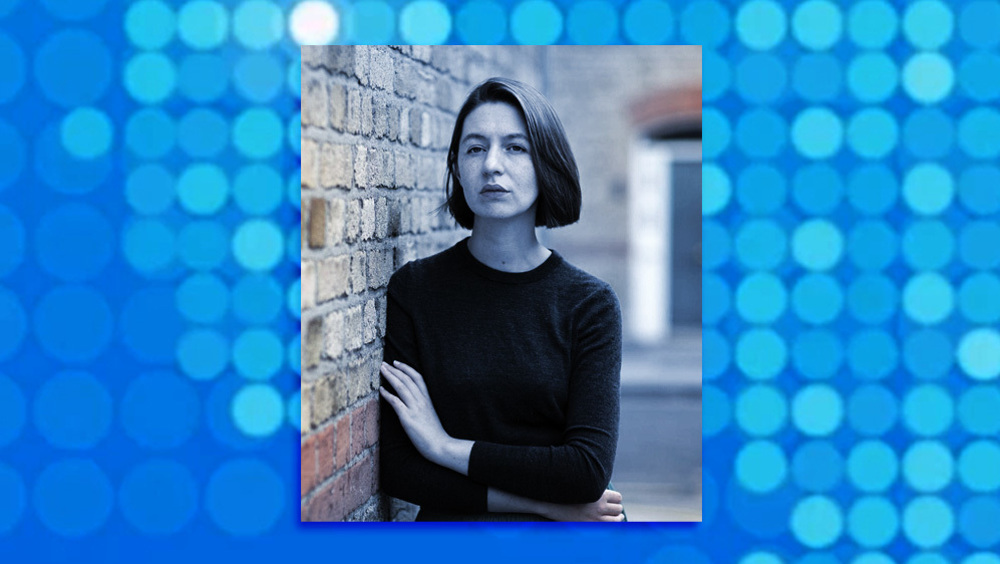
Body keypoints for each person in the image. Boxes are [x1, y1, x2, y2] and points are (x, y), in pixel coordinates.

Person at [378, 77, 625, 522]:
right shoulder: (415, 290)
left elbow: (586, 471)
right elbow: (399, 469)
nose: (492, 165)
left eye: (515, 147)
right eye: (475, 148)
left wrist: (444, 447)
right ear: (456, 166)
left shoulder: (589, 304)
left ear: (545, 162)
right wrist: (545, 505)